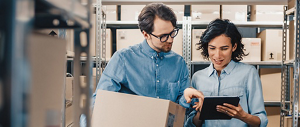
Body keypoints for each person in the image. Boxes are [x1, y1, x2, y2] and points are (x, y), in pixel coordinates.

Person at [93, 3, 203, 110]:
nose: (170, 39)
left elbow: (180, 106)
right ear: (146, 34)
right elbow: (99, 101)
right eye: (163, 36)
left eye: (172, 32)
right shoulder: (123, 59)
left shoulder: (178, 63)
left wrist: (186, 96)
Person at [185, 19, 268, 127]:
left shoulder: (248, 73)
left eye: (224, 48)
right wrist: (201, 112)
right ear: (207, 47)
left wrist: (242, 116)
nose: (218, 55)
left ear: (234, 47)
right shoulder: (198, 77)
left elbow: (261, 121)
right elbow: (192, 124)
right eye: (212, 48)